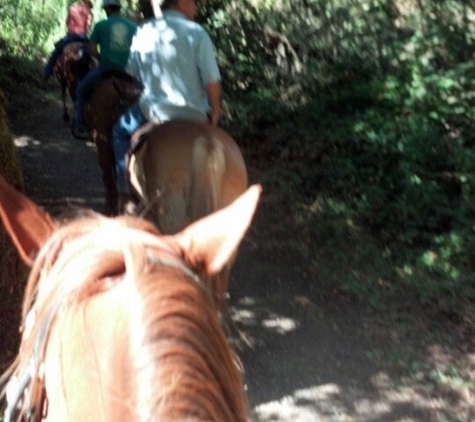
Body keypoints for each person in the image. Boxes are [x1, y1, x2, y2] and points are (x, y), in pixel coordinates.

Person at [112, 0, 222, 199]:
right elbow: (212, 81)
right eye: (194, 2)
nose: (196, 7)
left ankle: (124, 194)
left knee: (119, 132)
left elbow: (132, 72)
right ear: (182, 2)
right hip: (194, 115)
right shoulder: (197, 32)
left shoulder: (144, 30)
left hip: (152, 114)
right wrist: (215, 110)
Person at [73, 0, 137, 136]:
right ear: (119, 8)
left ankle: (80, 124)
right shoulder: (133, 27)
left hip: (105, 70)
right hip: (128, 72)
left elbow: (91, 49)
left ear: (107, 9)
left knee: (80, 91)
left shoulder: (101, 25)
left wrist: (102, 57)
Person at [43, 0, 94, 82]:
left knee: (56, 50)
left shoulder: (72, 8)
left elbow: (67, 23)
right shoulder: (89, 12)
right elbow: (88, 27)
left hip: (71, 36)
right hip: (83, 38)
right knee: (92, 53)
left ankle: (47, 72)